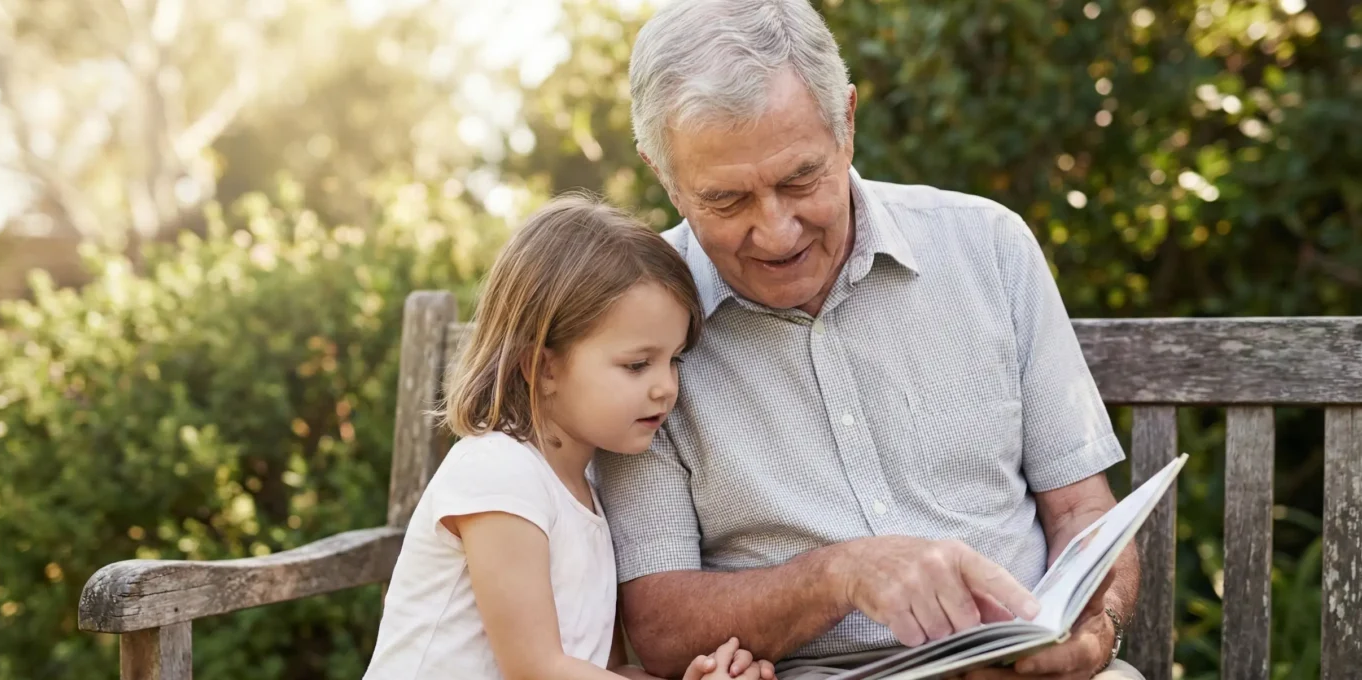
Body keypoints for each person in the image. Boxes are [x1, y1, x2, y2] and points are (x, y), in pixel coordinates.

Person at [596, 1, 1143, 679]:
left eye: (800, 179)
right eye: (727, 201)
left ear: (846, 123)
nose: (777, 232)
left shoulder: (989, 247)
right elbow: (658, 623)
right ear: (664, 176)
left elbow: (1083, 513)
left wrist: (1097, 634)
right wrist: (838, 576)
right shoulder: (634, 332)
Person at [363, 196, 778, 680]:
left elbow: (602, 670)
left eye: (675, 360)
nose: (666, 386)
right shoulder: (499, 472)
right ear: (542, 367)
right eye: (637, 364)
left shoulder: (589, 496)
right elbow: (536, 669)